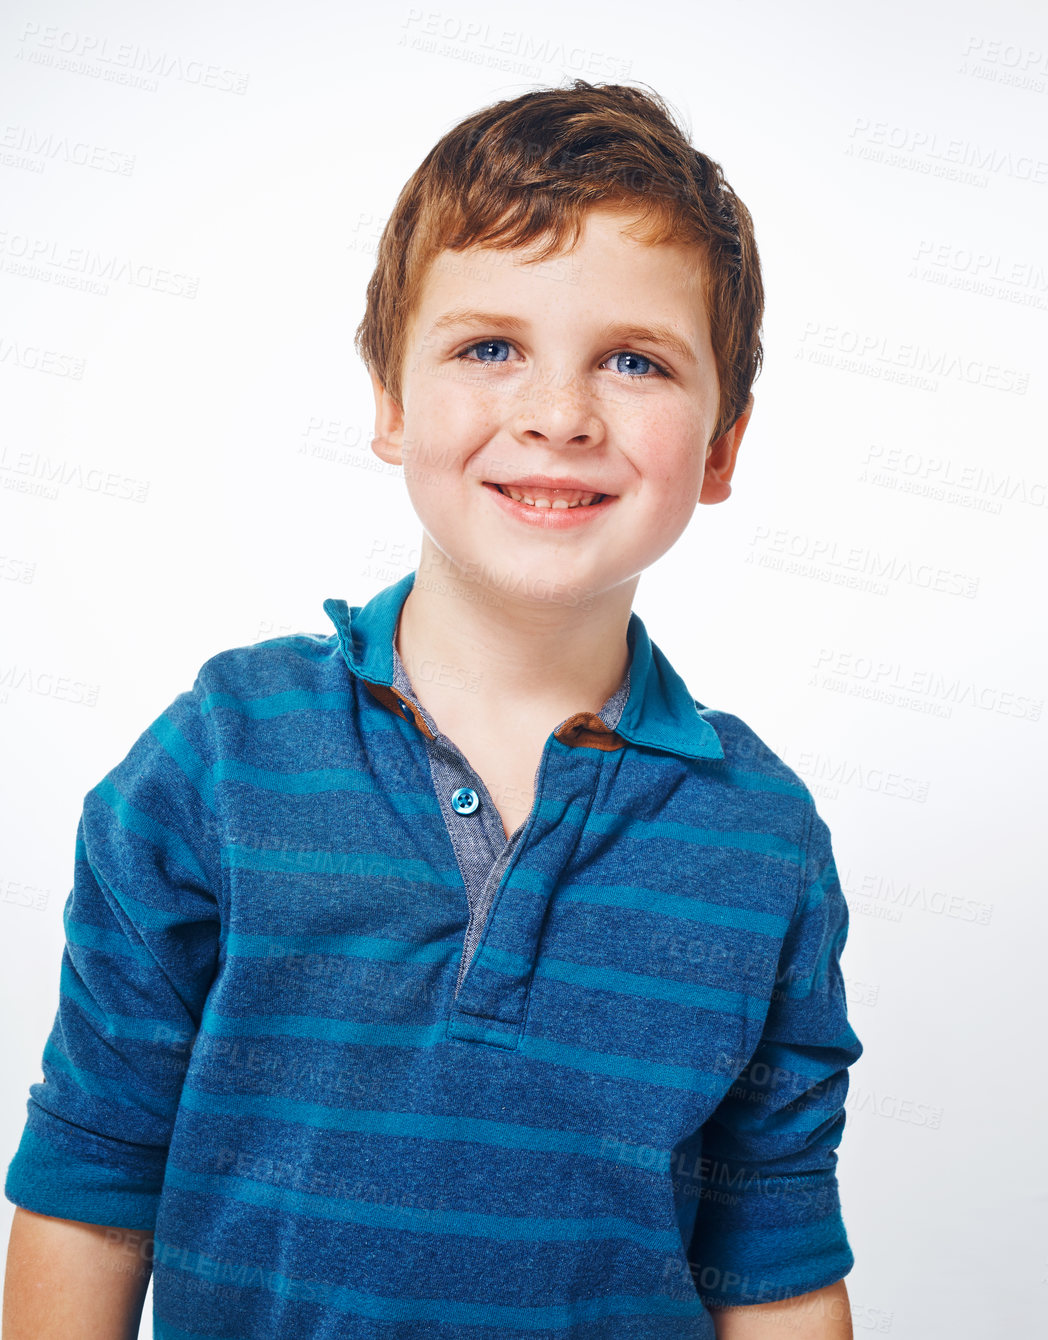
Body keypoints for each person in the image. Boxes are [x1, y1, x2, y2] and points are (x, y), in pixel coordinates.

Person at [2, 80, 863, 1338]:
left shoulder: (764, 838)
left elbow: (774, 1262)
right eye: (488, 347)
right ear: (391, 402)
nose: (558, 415)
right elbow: (91, 1179)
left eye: (634, 361)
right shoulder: (222, 756)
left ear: (722, 444)